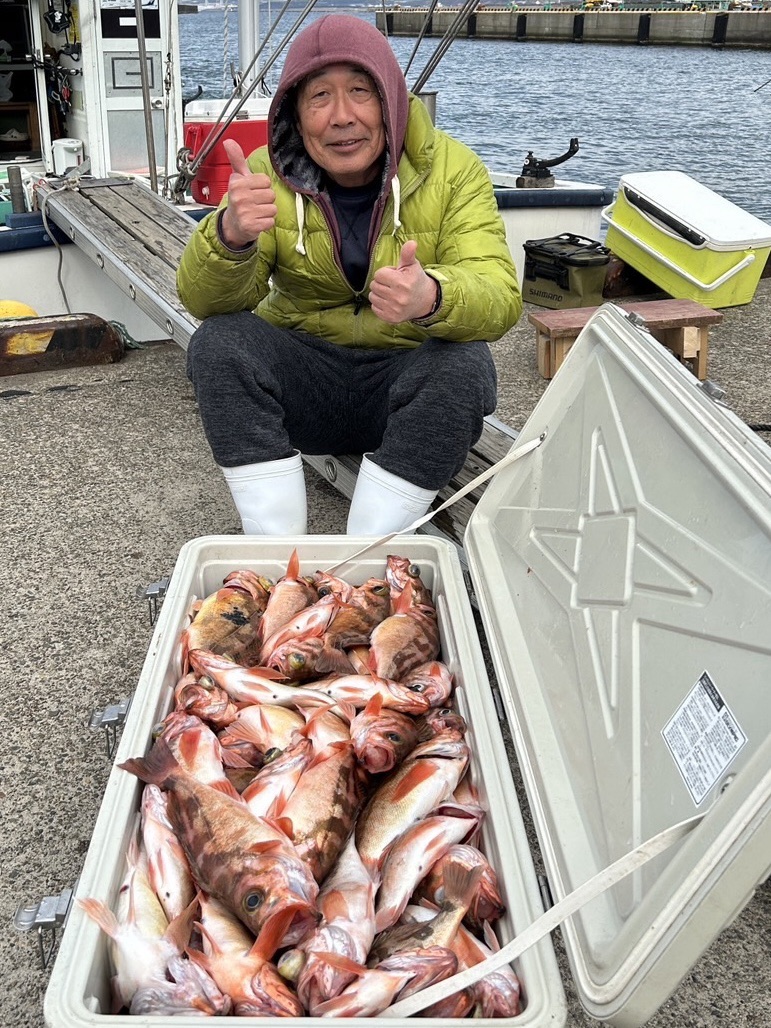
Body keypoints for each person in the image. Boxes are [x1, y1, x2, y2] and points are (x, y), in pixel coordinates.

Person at [177, 14, 521, 537]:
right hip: (306, 385)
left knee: (465, 362)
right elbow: (205, 301)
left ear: (391, 100)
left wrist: (433, 297)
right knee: (219, 343)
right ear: (295, 111)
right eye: (319, 97)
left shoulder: (455, 169)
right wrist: (230, 235)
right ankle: (276, 551)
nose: (342, 117)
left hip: (404, 396)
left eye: (361, 91)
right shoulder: (265, 172)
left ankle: (369, 551)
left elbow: (499, 295)